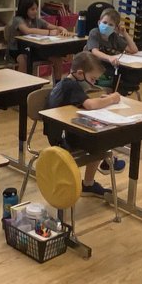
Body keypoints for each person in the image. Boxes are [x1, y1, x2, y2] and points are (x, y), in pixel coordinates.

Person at [45, 52, 125, 196]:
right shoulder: (71, 86)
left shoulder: (66, 83)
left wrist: (101, 100)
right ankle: (100, 169)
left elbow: (79, 105)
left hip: (62, 131)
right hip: (62, 140)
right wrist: (112, 98)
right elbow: (90, 105)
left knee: (101, 135)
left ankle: (104, 164)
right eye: (93, 79)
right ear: (80, 73)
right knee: (101, 138)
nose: (94, 84)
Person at [4, 0, 70, 78]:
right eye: (32, 9)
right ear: (24, 9)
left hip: (34, 49)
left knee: (57, 59)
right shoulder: (18, 20)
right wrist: (49, 33)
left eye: (36, 9)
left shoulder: (37, 20)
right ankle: (21, 85)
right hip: (17, 50)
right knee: (24, 60)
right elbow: (27, 31)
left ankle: (58, 84)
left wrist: (63, 29)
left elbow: (54, 27)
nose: (35, 11)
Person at [85, 8, 138, 91]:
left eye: (110, 25)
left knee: (126, 80)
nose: (106, 26)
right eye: (104, 23)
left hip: (109, 68)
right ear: (99, 22)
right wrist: (109, 57)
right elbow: (94, 51)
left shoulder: (114, 37)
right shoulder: (94, 33)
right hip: (93, 68)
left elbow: (133, 50)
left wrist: (124, 33)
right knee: (119, 82)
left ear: (115, 28)